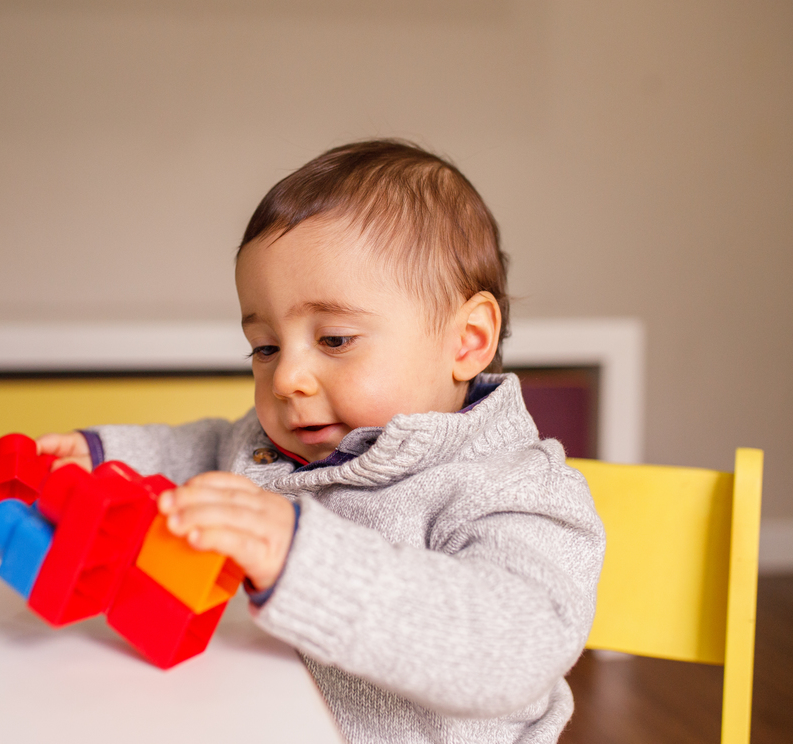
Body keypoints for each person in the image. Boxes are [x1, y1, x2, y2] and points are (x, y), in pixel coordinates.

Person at [38, 140, 605, 744]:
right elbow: (202, 454)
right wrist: (103, 456)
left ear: (466, 340)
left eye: (334, 339)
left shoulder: (513, 490)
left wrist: (301, 558)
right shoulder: (276, 449)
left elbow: (510, 648)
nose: (285, 378)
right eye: (265, 347)